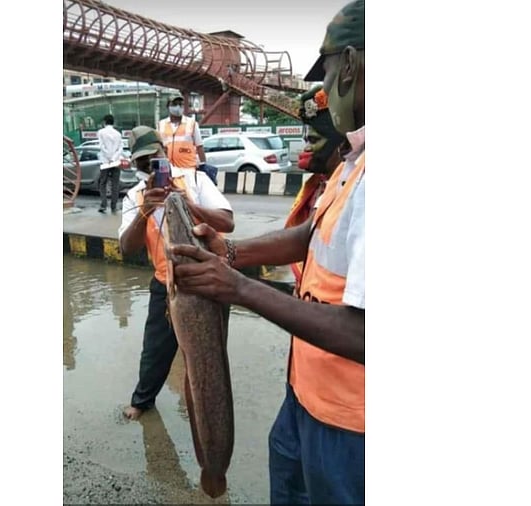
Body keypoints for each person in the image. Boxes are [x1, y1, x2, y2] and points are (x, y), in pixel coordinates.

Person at [170, 1, 365, 503]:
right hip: (306, 396)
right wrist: (230, 252)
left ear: (358, 64)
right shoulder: (355, 161)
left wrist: (238, 289)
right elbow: (310, 236)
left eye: (331, 73)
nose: (324, 90)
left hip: (353, 425)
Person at [118, 126, 234, 421]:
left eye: (153, 158)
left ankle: (208, 406)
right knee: (155, 349)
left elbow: (227, 221)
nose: (148, 167)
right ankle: (142, 401)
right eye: (142, 162)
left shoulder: (196, 178)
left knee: (210, 350)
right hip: (166, 285)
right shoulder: (134, 196)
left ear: (163, 151)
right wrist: (146, 209)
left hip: (209, 279)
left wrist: (188, 204)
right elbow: (126, 248)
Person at [285, 84, 346, 282]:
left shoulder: (351, 187)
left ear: (341, 145)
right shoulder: (316, 185)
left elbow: (301, 240)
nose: (307, 148)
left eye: (314, 140)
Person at [157, 94, 206, 170]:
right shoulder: (161, 124)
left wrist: (203, 165)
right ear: (168, 106)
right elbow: (158, 147)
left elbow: (199, 146)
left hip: (188, 169)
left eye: (180, 104)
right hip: (168, 170)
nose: (178, 107)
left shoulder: (192, 123)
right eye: (174, 104)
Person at [97, 114, 124, 213]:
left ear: (104, 122)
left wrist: (108, 157)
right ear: (113, 122)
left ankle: (103, 205)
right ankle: (114, 206)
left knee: (103, 183)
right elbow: (120, 148)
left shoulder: (101, 132)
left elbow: (102, 146)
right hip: (116, 161)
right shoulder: (118, 134)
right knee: (115, 184)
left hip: (105, 161)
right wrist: (113, 158)